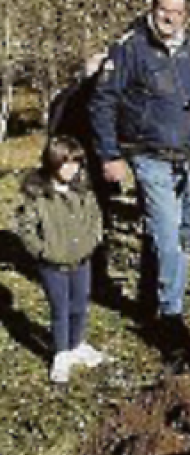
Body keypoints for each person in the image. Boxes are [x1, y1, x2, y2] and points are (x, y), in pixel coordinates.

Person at [89, 0, 190, 328]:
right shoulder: (131, 48)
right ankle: (171, 317)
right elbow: (103, 100)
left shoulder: (186, 48)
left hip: (183, 158)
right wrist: (109, 154)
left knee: (181, 234)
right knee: (167, 236)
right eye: (164, 10)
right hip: (148, 155)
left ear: (186, 15)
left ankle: (148, 300)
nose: (171, 18)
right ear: (153, 10)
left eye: (178, 12)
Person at [14, 136, 107, 383]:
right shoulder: (38, 195)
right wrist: (42, 251)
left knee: (80, 304)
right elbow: (25, 228)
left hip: (82, 260)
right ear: (52, 162)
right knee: (60, 308)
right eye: (66, 163)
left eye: (76, 163)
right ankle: (61, 352)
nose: (72, 169)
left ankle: (77, 344)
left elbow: (96, 216)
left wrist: (93, 239)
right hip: (52, 265)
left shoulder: (83, 191)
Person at [47, 52, 119, 290]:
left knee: (95, 221)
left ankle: (94, 274)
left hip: (93, 167)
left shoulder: (92, 97)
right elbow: (56, 136)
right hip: (77, 167)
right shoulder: (72, 98)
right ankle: (88, 275)